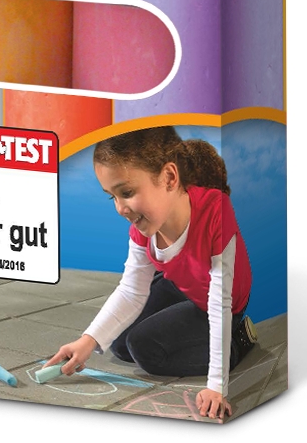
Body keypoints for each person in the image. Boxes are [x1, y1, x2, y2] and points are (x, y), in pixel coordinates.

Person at [47, 127, 257, 420]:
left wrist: (216, 386)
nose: (120, 208)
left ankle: (239, 341)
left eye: (127, 193)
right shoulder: (143, 226)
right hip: (183, 284)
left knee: (144, 348)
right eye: (112, 197)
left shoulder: (216, 212)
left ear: (169, 178)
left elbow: (219, 302)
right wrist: (87, 341)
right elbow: (131, 290)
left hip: (222, 301)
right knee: (119, 343)